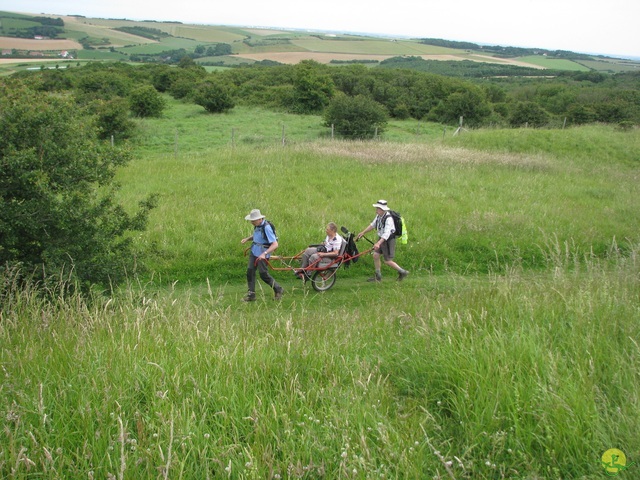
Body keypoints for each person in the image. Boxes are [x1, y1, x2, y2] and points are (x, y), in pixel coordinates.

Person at [355, 200, 409, 282]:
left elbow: (387, 234)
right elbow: (373, 225)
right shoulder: (379, 216)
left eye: (378, 208)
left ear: (382, 209)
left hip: (388, 240)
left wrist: (378, 243)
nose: (376, 210)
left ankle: (402, 272)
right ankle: (378, 276)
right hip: (381, 239)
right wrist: (363, 232)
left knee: (387, 261)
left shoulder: (389, 219)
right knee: (376, 255)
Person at [240, 209, 284, 301]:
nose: (252, 222)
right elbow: (257, 237)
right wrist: (247, 239)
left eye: (253, 220)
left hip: (263, 252)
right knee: (250, 271)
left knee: (263, 274)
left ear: (260, 219)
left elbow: (275, 244)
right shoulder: (257, 226)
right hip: (254, 251)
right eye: (251, 220)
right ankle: (251, 295)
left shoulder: (267, 227)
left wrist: (264, 254)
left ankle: (278, 289)